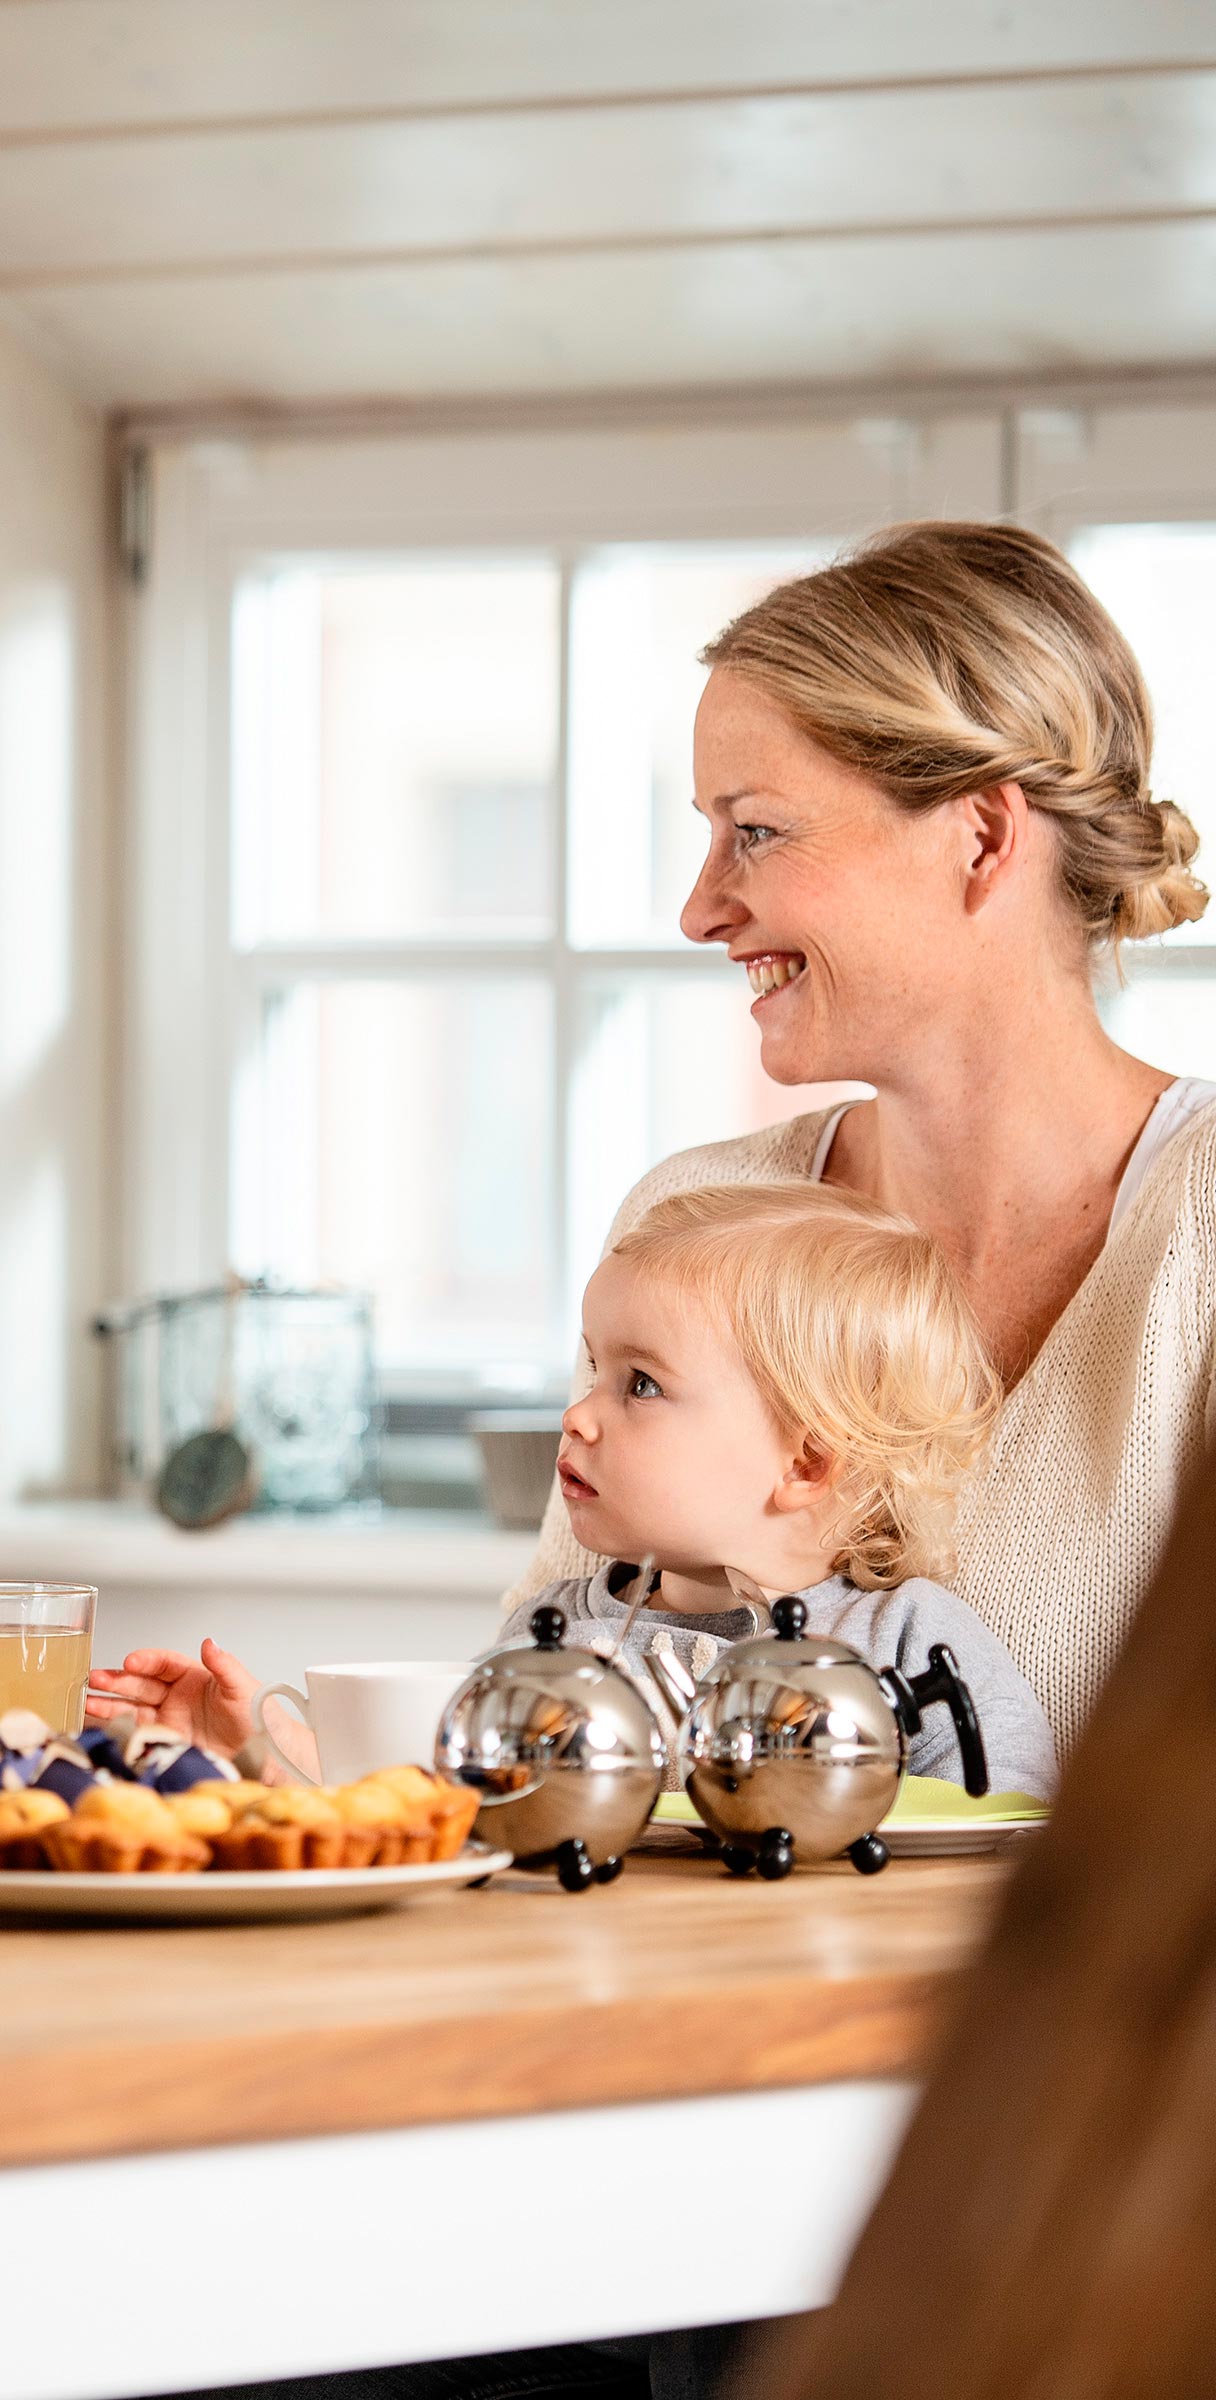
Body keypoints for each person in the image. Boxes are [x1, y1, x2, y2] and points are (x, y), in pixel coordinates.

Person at [96, 521, 1216, 1781]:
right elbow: (536, 1769)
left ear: (982, 838)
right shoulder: (702, 1216)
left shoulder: (1205, 1228)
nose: (699, 908)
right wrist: (285, 1770)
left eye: (757, 831)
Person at [503, 1182, 1056, 1800]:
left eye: (642, 1385)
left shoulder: (908, 1644)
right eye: (593, 1371)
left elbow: (1008, 1821)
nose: (577, 1415)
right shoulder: (550, 1633)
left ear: (806, 1465)